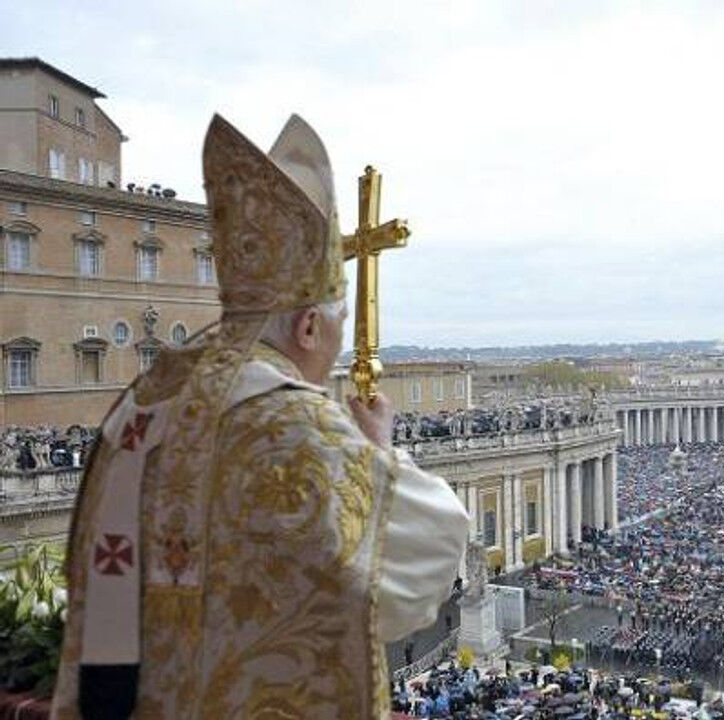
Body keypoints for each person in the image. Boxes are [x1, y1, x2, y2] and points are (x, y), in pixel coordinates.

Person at [51, 115, 470, 720]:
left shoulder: (140, 407)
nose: (333, 349)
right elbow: (425, 567)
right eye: (334, 332)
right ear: (307, 326)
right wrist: (380, 452)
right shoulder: (296, 426)